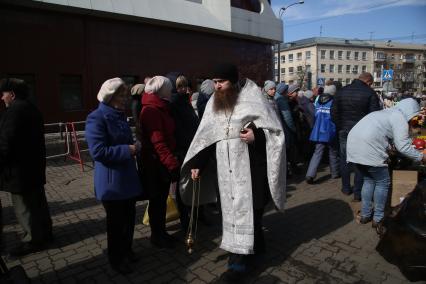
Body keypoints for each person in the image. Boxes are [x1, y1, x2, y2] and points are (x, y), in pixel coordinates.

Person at [179, 63, 286, 282]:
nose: (217, 86)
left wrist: (256, 136)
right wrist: (198, 163)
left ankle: (239, 265)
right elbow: (207, 136)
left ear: (234, 81)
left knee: (252, 213)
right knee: (234, 215)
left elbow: (275, 130)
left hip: (250, 170)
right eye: (214, 82)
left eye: (221, 82)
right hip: (225, 172)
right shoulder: (213, 103)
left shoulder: (254, 98)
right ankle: (246, 257)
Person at [85, 78, 142, 274]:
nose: (125, 99)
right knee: (116, 225)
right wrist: (128, 150)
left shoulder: (119, 115)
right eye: (121, 95)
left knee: (128, 220)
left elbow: (124, 140)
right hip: (112, 183)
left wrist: (135, 144)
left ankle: (126, 250)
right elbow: (98, 152)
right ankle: (116, 259)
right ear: (110, 96)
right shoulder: (96, 117)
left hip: (127, 179)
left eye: (125, 94)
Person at [347, 98, 425, 229]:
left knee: (369, 180)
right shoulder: (399, 117)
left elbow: (386, 136)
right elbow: (403, 147)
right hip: (368, 149)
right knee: (383, 182)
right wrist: (421, 157)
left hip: (354, 148)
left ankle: (366, 214)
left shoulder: (384, 113)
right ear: (411, 112)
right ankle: (378, 218)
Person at [0, 78, 52, 257]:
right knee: (38, 202)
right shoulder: (32, 108)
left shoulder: (13, 112)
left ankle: (32, 240)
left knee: (24, 207)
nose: (2, 98)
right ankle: (46, 234)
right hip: (35, 167)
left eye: (4, 94)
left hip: (19, 171)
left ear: (12, 94)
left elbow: (6, 142)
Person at [139, 76, 180, 249]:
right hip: (156, 164)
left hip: (160, 161)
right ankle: (157, 236)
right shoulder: (152, 110)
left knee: (160, 200)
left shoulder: (159, 107)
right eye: (169, 88)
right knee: (157, 201)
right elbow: (158, 142)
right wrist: (172, 164)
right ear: (161, 90)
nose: (171, 91)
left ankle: (161, 233)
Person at [331, 72, 381, 201]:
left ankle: (346, 188)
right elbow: (374, 115)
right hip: (361, 132)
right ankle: (358, 192)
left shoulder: (341, 92)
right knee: (359, 160)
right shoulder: (370, 93)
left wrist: (340, 125)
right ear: (369, 82)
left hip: (344, 130)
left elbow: (333, 112)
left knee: (344, 159)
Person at [170, 75, 199, 231]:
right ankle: (184, 218)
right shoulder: (174, 103)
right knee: (183, 185)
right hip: (182, 150)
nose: (184, 89)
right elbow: (177, 129)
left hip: (192, 147)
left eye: (185, 86)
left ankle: (196, 214)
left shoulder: (185, 101)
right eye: (180, 86)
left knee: (194, 182)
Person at [306, 85, 340, 184]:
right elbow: (335, 116)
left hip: (319, 129)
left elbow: (315, 115)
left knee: (317, 152)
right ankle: (335, 173)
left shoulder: (318, 101)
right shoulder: (333, 102)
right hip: (330, 129)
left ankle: (310, 174)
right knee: (333, 152)